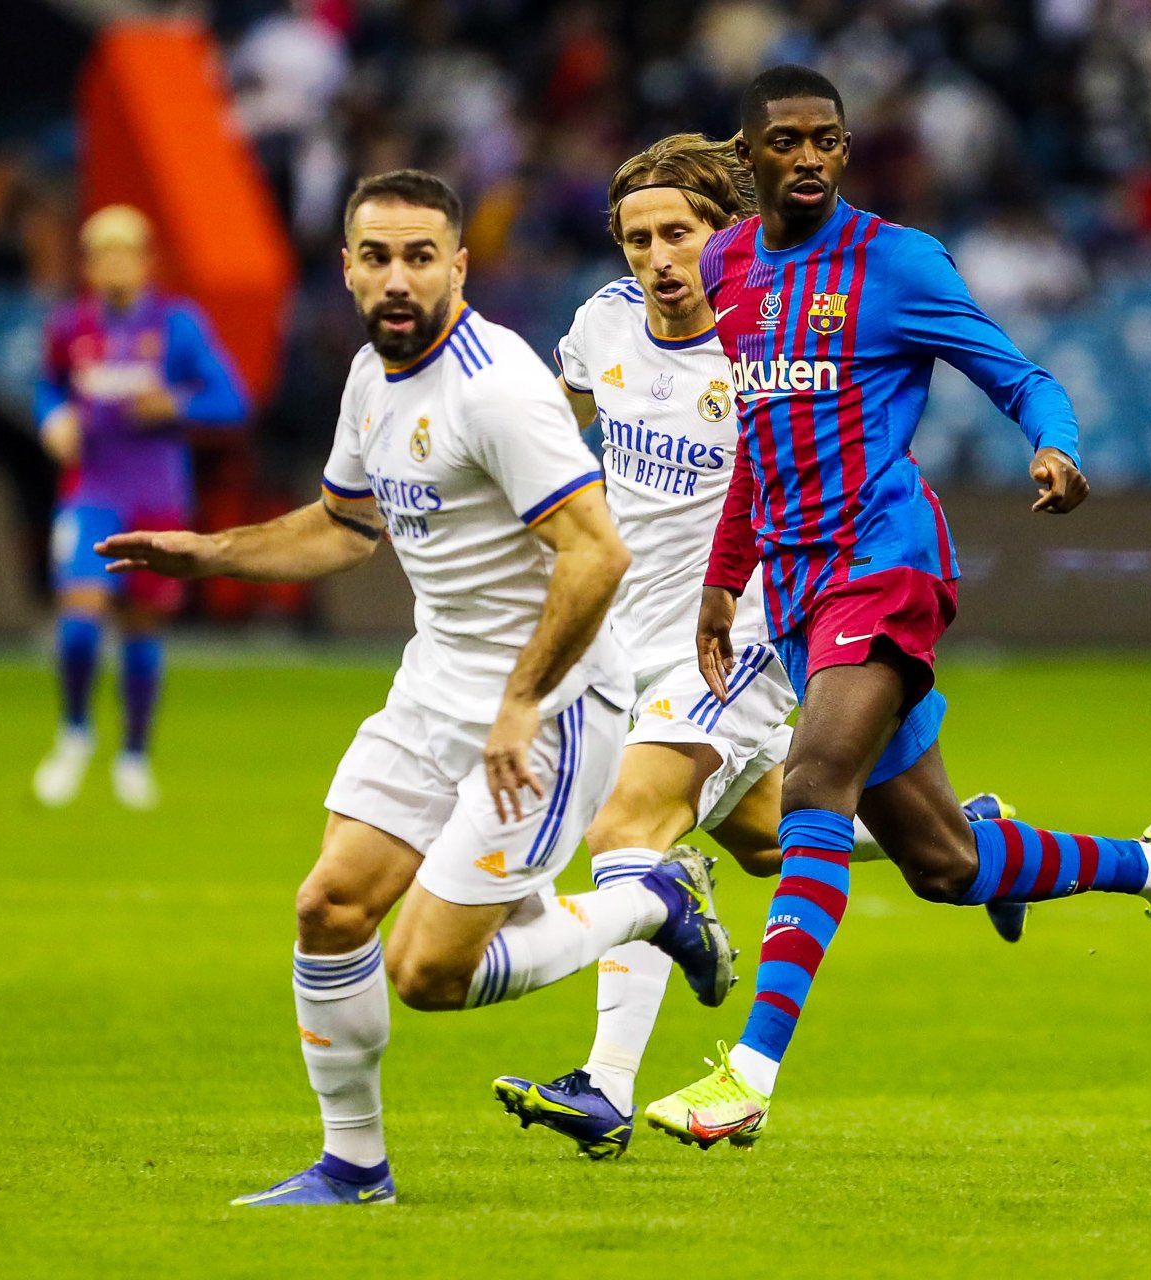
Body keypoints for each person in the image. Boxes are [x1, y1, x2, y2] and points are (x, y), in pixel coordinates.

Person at [97, 170, 735, 1207]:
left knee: (429, 972)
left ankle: (647, 900)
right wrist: (208, 552)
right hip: (432, 691)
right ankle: (353, 1167)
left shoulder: (497, 387)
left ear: (458, 266)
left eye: (420, 256)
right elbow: (346, 523)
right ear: (347, 267)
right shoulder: (369, 375)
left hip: (551, 710)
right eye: (378, 256)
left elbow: (595, 553)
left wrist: (523, 701)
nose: (399, 278)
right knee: (329, 905)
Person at [640, 66, 1151, 1151]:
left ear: (845, 151)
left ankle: (747, 1074)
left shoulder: (895, 263)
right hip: (800, 586)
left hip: (888, 561)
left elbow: (1020, 374)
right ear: (751, 156)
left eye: (827, 140)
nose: (808, 159)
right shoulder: (727, 266)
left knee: (812, 779)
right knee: (947, 863)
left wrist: (1057, 443)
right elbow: (755, 447)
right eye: (786, 143)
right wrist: (723, 579)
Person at [487, 133, 1023, 1162]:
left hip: (735, 634)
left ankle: (602, 1086)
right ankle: (971, 835)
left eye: (678, 232)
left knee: (629, 823)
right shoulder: (599, 324)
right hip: (621, 636)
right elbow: (560, 440)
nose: (658, 256)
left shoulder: (767, 350)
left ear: (724, 233)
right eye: (637, 237)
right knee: (766, 838)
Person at [32, 204, 249, 810]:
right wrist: (52, 419)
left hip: (157, 495)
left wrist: (176, 406)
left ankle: (133, 754)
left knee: (142, 628)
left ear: (146, 260)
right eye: (101, 254)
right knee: (79, 618)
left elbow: (232, 401)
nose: (113, 265)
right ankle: (75, 732)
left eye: (124, 252)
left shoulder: (177, 326)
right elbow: (48, 385)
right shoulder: (71, 327)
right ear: (89, 265)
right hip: (92, 490)